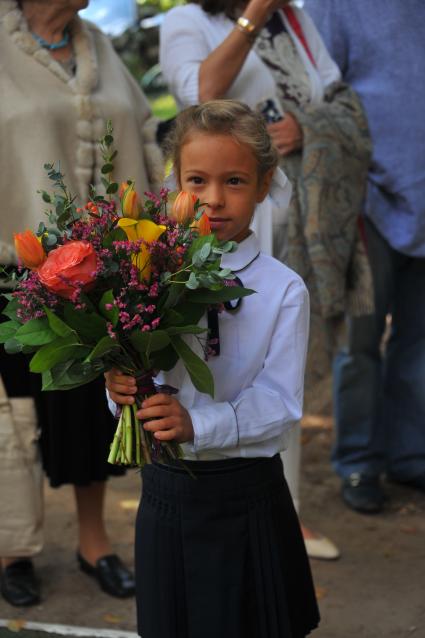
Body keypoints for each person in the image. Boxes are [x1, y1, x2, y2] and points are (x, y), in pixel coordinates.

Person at [159, 0, 373, 559]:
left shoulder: (295, 19)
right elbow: (203, 94)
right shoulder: (190, 22)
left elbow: (332, 94)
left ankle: (288, 505)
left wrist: (311, 125)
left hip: (283, 208)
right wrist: (254, 13)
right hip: (231, 207)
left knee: (267, 349)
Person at [106, 100, 320, 638]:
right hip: (165, 492)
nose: (214, 199)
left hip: (245, 496)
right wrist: (119, 390)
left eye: (235, 181)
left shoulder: (282, 289)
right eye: (197, 180)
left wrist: (199, 424)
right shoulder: (143, 271)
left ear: (265, 183)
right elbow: (130, 369)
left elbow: (281, 404)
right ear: (174, 180)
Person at [0, 0, 162, 606]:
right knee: (15, 409)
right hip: (15, 264)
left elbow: (146, 137)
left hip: (105, 262)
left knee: (91, 406)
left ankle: (94, 543)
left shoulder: (98, 44)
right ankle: (12, 547)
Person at [305, 0, 425, 513]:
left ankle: (411, 456)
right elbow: (318, 92)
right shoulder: (335, 3)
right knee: (359, 339)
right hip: (365, 196)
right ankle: (357, 461)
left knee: (419, 339)